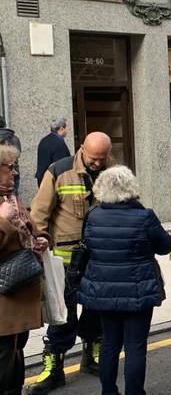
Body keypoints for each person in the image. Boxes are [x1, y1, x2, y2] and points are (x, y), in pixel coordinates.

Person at [27, 132, 114, 395]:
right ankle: (54, 367)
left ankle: (92, 352)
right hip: (64, 261)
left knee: (96, 309)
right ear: (81, 149)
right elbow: (39, 213)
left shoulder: (114, 172)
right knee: (61, 316)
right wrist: (40, 244)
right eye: (92, 158)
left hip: (99, 259)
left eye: (102, 159)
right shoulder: (59, 171)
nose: (97, 164)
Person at [77, 166, 171, 395]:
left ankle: (108, 392)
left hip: (103, 290)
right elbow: (165, 246)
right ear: (131, 188)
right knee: (135, 346)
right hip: (138, 291)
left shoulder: (93, 215)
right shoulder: (144, 216)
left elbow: (88, 246)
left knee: (110, 344)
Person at [0, 144, 49, 394]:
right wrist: (1, 219)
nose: (15, 173)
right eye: (10, 168)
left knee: (16, 354)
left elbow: (29, 226)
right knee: (4, 358)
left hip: (20, 291)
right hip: (4, 299)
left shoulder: (11, 198)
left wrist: (39, 238)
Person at [35, 119, 71, 186]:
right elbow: (62, 163)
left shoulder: (43, 140)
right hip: (53, 180)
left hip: (42, 178)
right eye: (66, 128)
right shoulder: (59, 142)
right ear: (61, 128)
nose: (67, 131)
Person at [0, 116, 22, 195]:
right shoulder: (15, 138)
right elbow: (18, 154)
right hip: (14, 170)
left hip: (4, 174)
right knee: (13, 195)